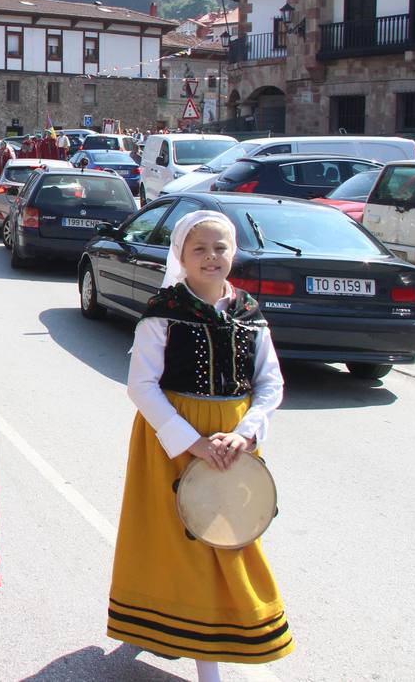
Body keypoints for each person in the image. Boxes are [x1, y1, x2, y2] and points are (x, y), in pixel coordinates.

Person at [107, 211, 292, 680]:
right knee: (180, 544)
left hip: (232, 444)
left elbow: (270, 384)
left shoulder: (250, 312)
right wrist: (191, 443)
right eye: (200, 249)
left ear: (235, 252)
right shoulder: (164, 310)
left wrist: (245, 432)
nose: (211, 257)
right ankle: (194, 654)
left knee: (228, 540)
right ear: (181, 256)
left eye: (221, 248)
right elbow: (141, 385)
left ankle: (184, 634)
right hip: (172, 443)